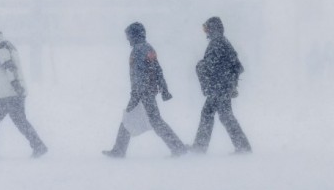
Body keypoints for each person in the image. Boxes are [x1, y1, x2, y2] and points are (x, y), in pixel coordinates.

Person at [102, 22, 187, 158]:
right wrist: (163, 88)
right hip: (145, 91)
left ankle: (178, 147)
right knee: (143, 119)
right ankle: (177, 147)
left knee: (147, 120)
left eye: (128, 36)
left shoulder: (139, 50)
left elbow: (144, 73)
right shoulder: (147, 48)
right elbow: (158, 70)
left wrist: (139, 92)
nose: (127, 39)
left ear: (135, 35)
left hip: (142, 92)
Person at [0, 30, 48, 158]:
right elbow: (3, 68)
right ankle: (38, 146)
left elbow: (10, 68)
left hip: (8, 95)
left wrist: (16, 85)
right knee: (20, 122)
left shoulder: (3, 49)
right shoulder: (5, 48)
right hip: (10, 94)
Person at [190, 16, 252, 154]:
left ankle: (200, 148)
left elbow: (212, 66)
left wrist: (200, 65)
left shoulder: (217, 42)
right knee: (223, 115)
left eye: (206, 28)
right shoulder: (221, 41)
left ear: (212, 28)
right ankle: (242, 146)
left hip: (219, 87)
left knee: (214, 114)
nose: (205, 31)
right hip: (222, 86)